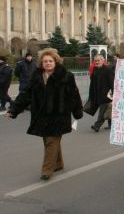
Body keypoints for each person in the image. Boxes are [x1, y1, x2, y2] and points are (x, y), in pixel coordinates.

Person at [4, 48, 83, 180]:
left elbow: (73, 95)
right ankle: (58, 163)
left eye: (50, 61)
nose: (47, 63)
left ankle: (47, 169)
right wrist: (13, 110)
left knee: (51, 141)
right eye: (45, 61)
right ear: (41, 63)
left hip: (59, 114)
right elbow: (25, 95)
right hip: (41, 115)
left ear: (56, 61)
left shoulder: (66, 76)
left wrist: (77, 112)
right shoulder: (36, 76)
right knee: (47, 140)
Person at [89, 55, 114, 132]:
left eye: (98, 60)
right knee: (108, 109)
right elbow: (92, 83)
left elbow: (112, 82)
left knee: (103, 110)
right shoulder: (95, 70)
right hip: (97, 94)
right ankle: (111, 124)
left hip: (106, 95)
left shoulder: (108, 70)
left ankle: (97, 126)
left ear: (103, 61)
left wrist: (113, 93)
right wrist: (91, 94)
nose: (96, 62)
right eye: (95, 61)